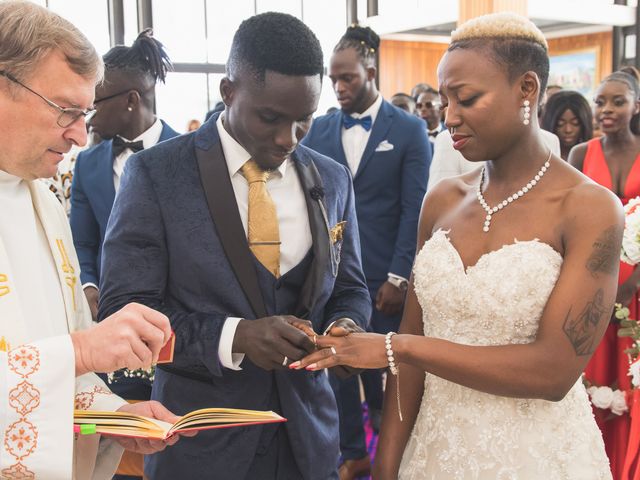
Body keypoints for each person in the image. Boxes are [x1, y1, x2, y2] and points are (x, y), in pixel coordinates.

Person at [294, 13, 618, 479]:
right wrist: (387, 467)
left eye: (467, 99)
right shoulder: (443, 199)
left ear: (527, 89)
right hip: (434, 451)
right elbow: (406, 362)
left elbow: (553, 373)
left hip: (535, 455)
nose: (448, 118)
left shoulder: (589, 208)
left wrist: (398, 347)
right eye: (445, 99)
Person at [99, 12, 371, 480]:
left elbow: (350, 287)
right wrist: (236, 337)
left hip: (309, 439)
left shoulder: (331, 177)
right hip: (201, 445)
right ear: (228, 92)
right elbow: (124, 314)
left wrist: (346, 326)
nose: (289, 139)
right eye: (270, 118)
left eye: (303, 120)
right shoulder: (157, 175)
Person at [0, 2, 188, 477]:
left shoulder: (41, 200)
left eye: (86, 113)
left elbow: (62, 351)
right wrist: (83, 350)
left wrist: (114, 415)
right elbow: (73, 350)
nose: (82, 136)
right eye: (66, 110)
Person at [302, 25, 431, 480]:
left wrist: (399, 277)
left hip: (388, 278)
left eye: (348, 79)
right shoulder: (317, 130)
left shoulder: (411, 130)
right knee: (338, 367)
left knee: (392, 370)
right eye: (333, 80)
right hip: (333, 277)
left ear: (370, 72)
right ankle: (353, 452)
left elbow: (414, 209)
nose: (338, 88)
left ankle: (391, 454)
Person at [71, 29, 179, 323]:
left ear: (130, 100)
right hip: (108, 313)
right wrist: (89, 284)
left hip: (176, 315)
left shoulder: (190, 156)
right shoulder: (86, 165)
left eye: (95, 106)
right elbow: (82, 241)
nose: (88, 120)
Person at [569, 69, 640, 479]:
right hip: (594, 280)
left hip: (636, 285)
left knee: (632, 376)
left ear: (635, 106)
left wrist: (632, 283)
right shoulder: (580, 154)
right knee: (593, 376)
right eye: (600, 102)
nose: (607, 110)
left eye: (617, 101)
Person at [541, 90, 593, 160]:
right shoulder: (542, 155)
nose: (568, 130)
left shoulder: (593, 153)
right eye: (560, 124)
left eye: (575, 123)